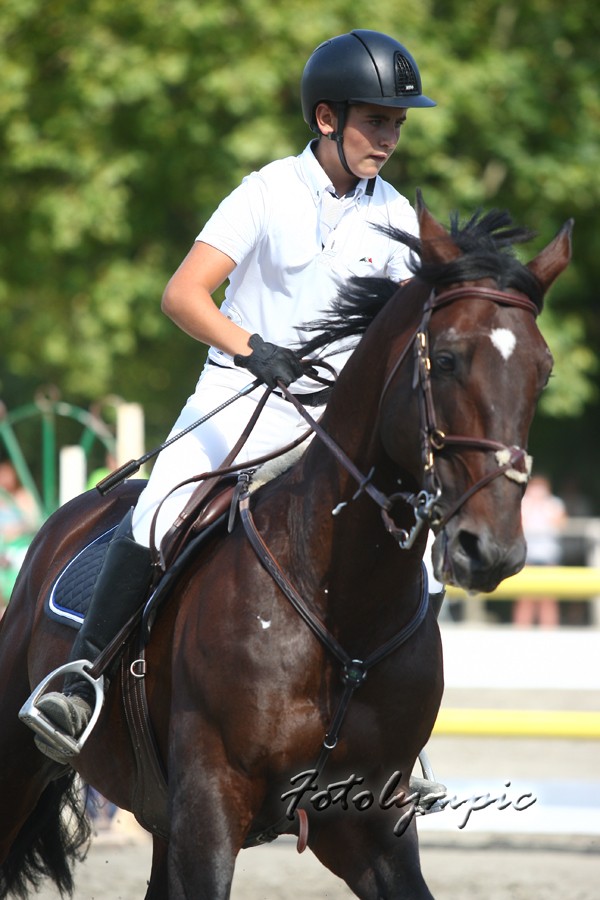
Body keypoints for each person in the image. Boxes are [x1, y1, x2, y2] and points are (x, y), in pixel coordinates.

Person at [26, 30, 437, 760]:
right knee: (159, 508)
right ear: (327, 119)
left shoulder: (400, 216)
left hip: (338, 423)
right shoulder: (267, 192)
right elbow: (181, 295)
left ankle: (393, 731)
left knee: (415, 552)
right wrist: (253, 348)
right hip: (244, 397)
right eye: (378, 120)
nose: (390, 137)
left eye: (398, 123)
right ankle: (81, 678)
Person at [513, 475, 567, 627]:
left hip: (548, 555)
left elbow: (561, 523)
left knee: (549, 597)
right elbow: (518, 524)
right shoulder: (523, 503)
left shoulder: (554, 503)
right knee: (525, 596)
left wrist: (543, 510)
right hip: (527, 556)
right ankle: (521, 629)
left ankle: (549, 630)